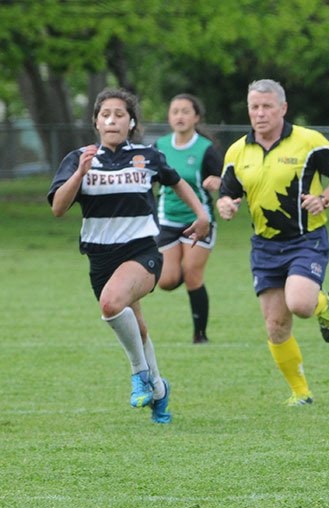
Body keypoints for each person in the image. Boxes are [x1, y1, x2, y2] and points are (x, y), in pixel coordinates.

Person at [47, 88, 211, 423]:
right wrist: (80, 173)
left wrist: (202, 215)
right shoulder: (79, 158)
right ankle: (160, 390)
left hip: (142, 251)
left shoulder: (147, 156)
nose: (112, 119)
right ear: (96, 121)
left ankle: (139, 375)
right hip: (100, 258)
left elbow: (177, 182)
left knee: (110, 304)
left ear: (131, 121)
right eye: (105, 114)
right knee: (136, 326)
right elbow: (58, 208)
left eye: (119, 113)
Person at [216, 79, 329, 407]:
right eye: (254, 107)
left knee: (299, 304)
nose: (260, 113)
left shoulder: (308, 141)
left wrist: (324, 199)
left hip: (306, 239)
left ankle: (323, 305)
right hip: (264, 246)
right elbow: (227, 193)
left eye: (267, 106)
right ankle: (301, 393)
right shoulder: (237, 151)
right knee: (275, 326)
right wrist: (225, 205)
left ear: (283, 108)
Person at [155, 94, 223, 344]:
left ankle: (200, 335)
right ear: (169, 117)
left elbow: (225, 180)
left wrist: (218, 183)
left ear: (196, 117)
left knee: (193, 274)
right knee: (167, 281)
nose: (180, 116)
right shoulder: (159, 146)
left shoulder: (205, 149)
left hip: (199, 220)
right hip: (167, 220)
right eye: (175, 112)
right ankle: (182, 268)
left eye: (185, 111)